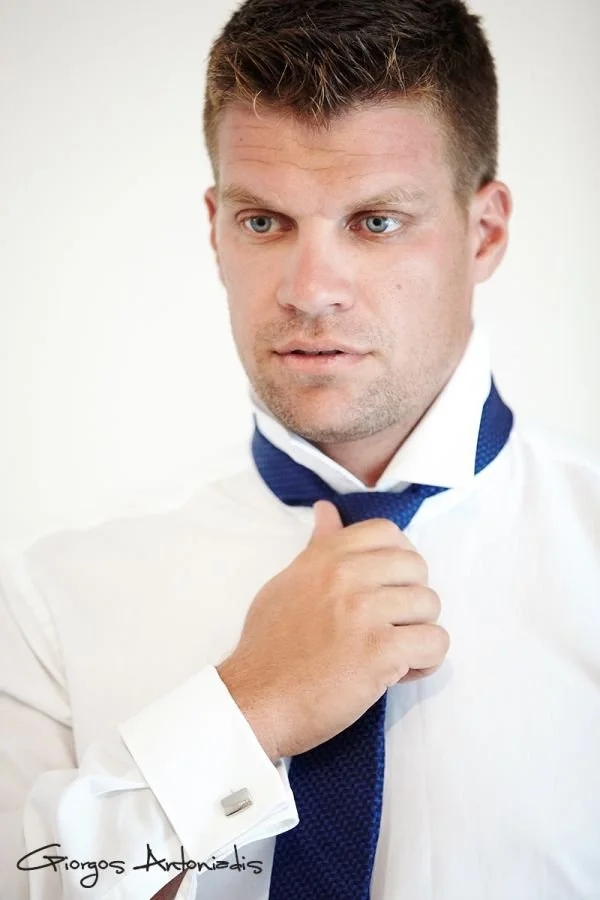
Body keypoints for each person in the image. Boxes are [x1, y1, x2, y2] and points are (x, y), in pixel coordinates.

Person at [2, 0, 600, 897]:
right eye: (264, 222)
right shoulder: (55, 594)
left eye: (376, 222)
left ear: (486, 232)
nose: (311, 291)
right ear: (215, 228)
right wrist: (247, 712)